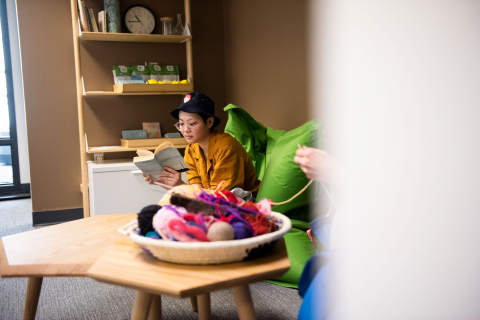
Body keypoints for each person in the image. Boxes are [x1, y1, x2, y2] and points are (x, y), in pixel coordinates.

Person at [144, 92, 261, 196]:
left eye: (192, 123)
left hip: (242, 205)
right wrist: (171, 184)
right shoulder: (191, 150)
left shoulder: (227, 148)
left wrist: (181, 186)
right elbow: (198, 192)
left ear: (210, 122)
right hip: (213, 202)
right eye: (181, 124)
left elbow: (222, 197)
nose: (185, 130)